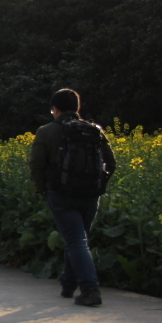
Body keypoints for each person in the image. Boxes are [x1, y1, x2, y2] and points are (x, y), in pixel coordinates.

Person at [28, 89, 116, 307]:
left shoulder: (46, 131)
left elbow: (36, 165)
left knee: (76, 240)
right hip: (90, 195)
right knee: (78, 238)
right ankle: (68, 284)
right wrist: (97, 185)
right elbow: (110, 162)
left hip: (61, 194)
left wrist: (44, 190)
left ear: (54, 109)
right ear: (78, 108)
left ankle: (89, 289)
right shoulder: (94, 130)